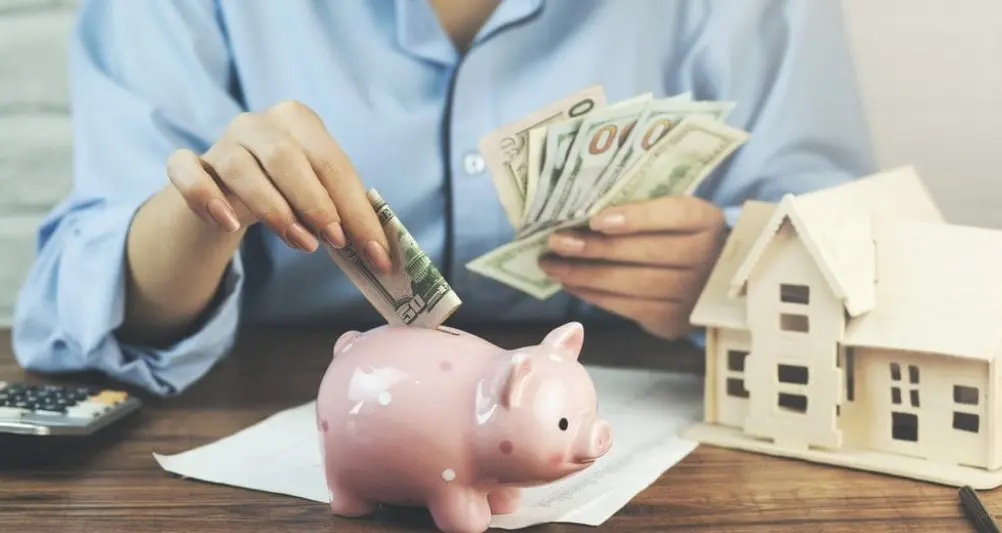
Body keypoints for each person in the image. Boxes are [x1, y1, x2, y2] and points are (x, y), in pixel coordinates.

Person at [11, 0, 875, 397]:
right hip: (287, 421)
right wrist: (202, 215)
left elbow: (859, 263)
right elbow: (82, 306)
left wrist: (729, 280)